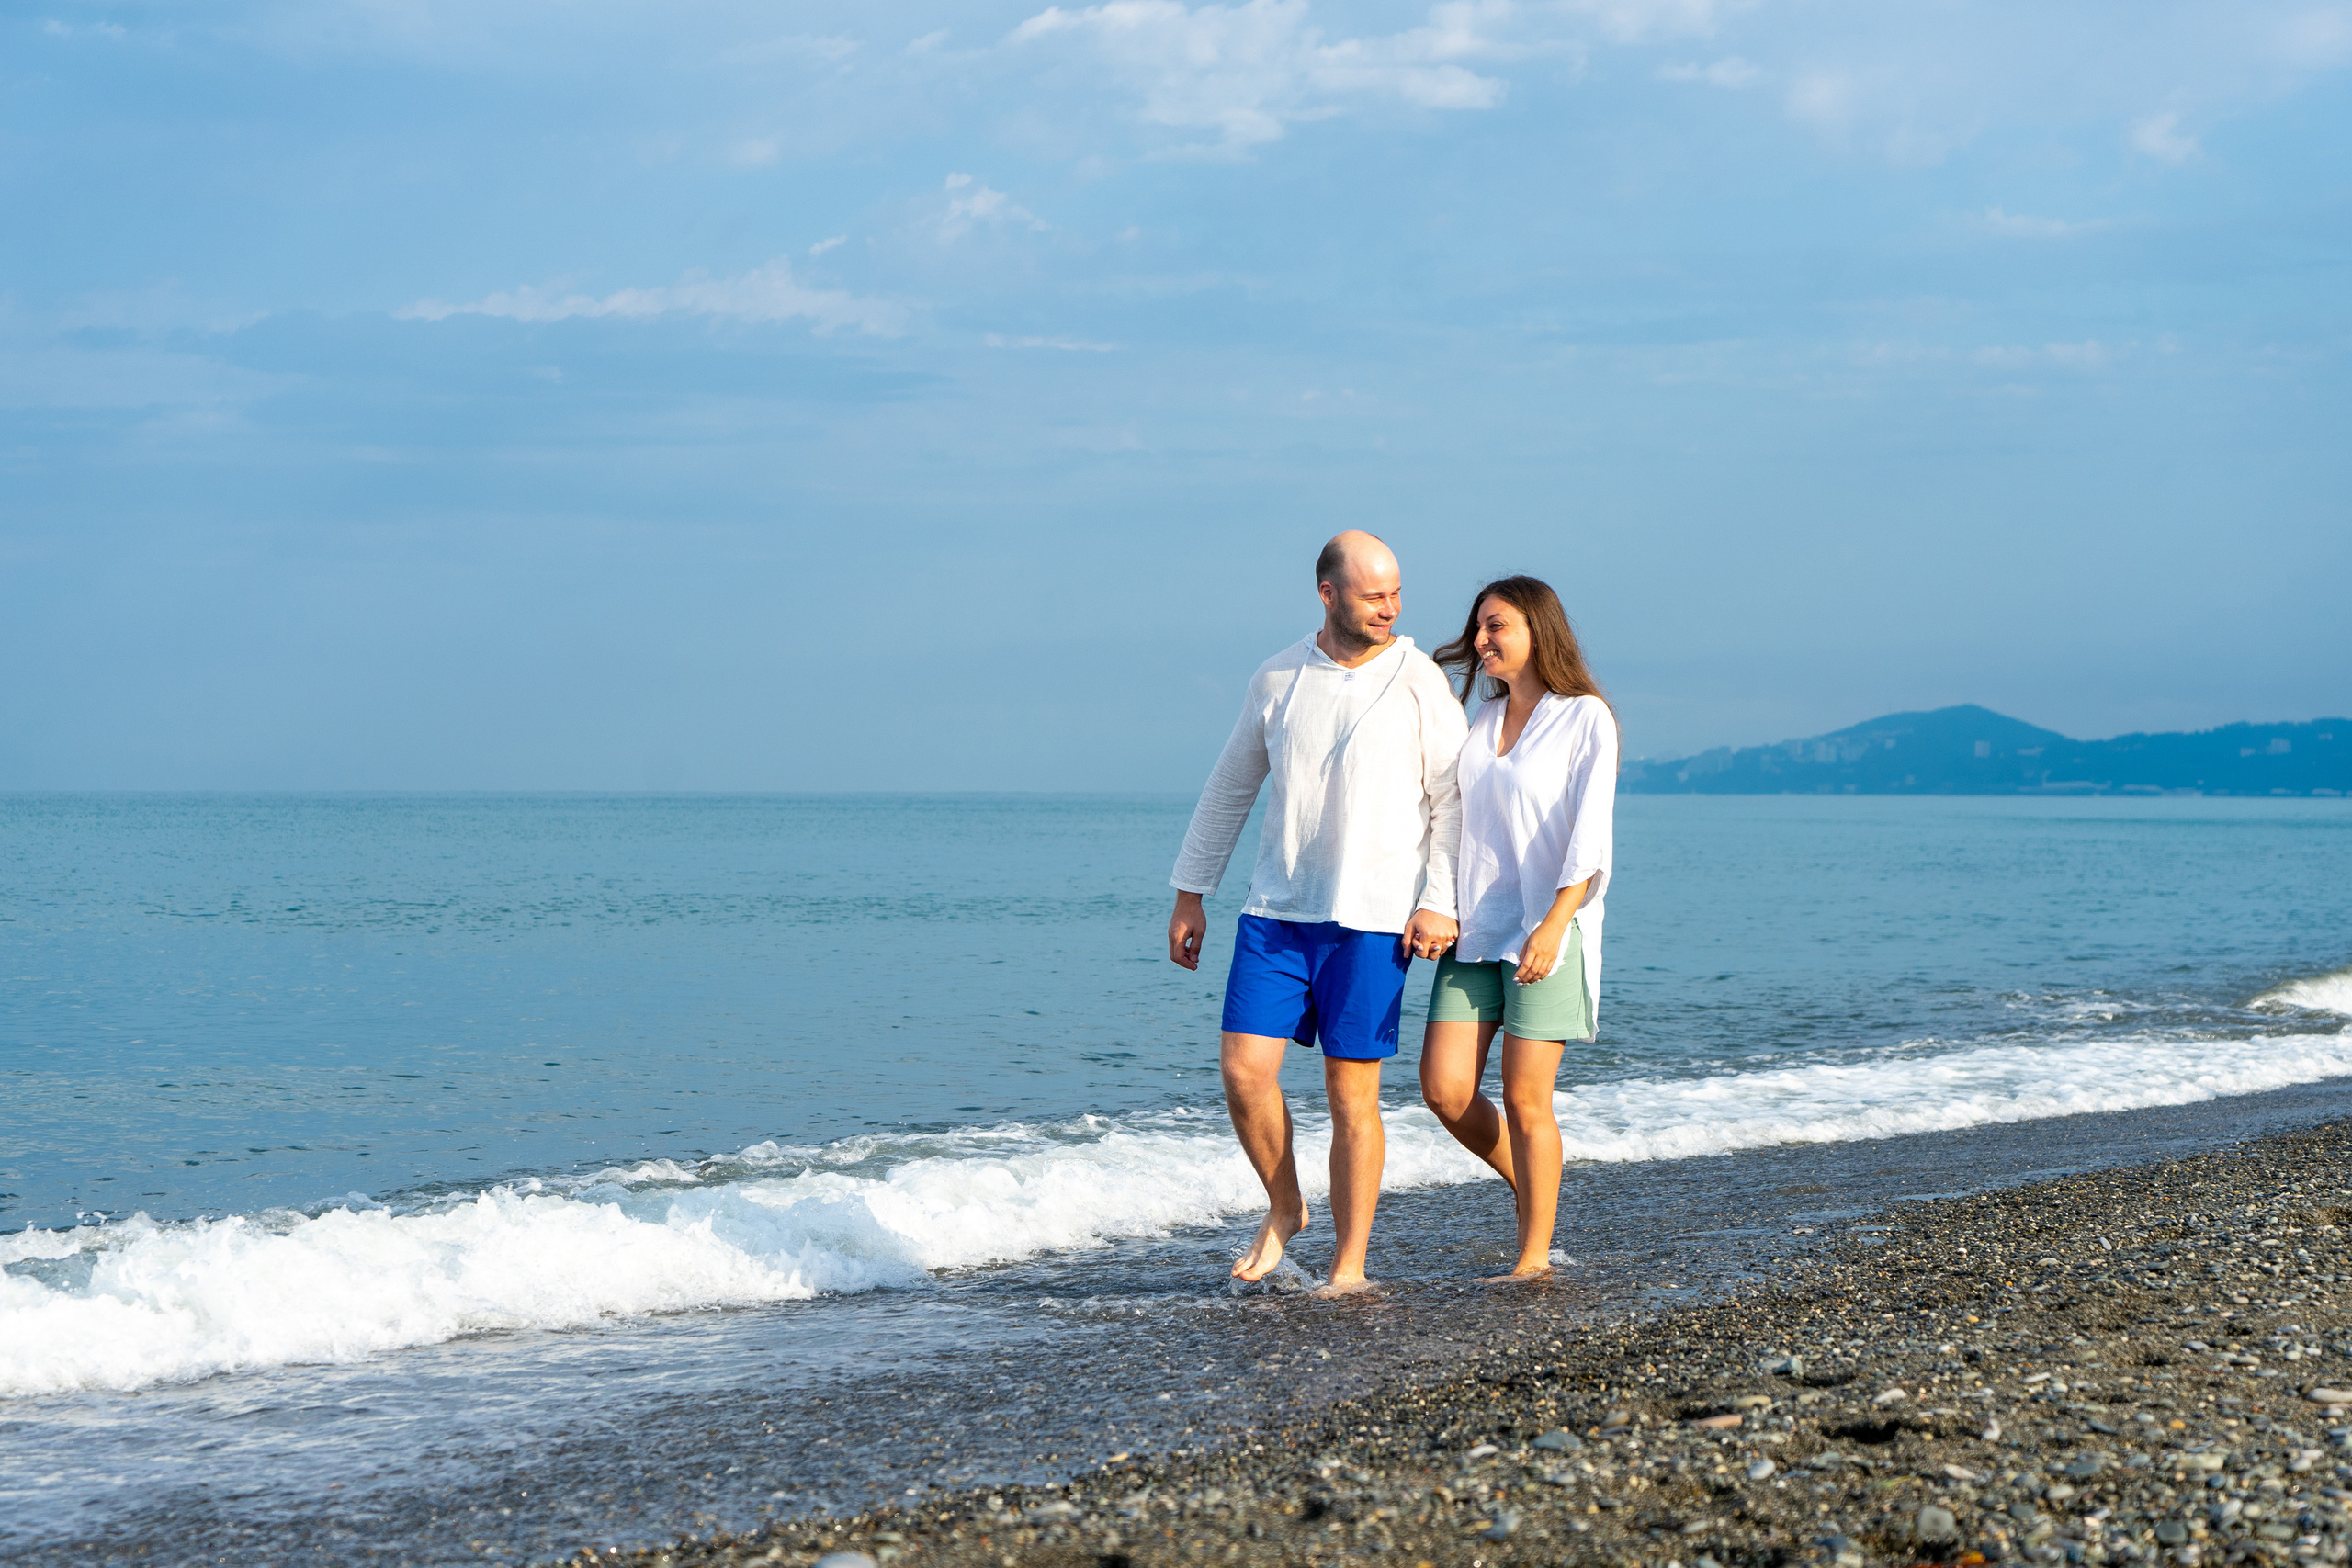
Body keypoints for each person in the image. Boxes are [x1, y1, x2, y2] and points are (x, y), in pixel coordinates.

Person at [1167, 531, 1467, 1292]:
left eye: (1397, 592)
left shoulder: (1419, 679)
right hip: (1277, 911)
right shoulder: (1278, 676)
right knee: (1243, 1072)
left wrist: (1439, 901)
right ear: (1328, 592)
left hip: (1373, 920)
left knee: (1350, 1093)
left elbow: (1453, 800)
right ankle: (1286, 1204)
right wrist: (1190, 891)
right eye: (1374, 595)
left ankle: (1350, 1266)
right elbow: (1230, 784)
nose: (1391, 609)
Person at [1419, 575, 1617, 1279]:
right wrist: (1434, 902)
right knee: (1444, 1089)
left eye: (1495, 626)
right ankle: (1530, 1185)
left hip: (1548, 931)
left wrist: (1555, 923)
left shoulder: (1584, 716)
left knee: (1527, 1098)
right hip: (1477, 931)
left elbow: (1590, 836)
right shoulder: (1478, 724)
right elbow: (1453, 822)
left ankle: (1533, 1255)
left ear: (1538, 628)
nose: (1480, 641)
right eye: (1477, 628)